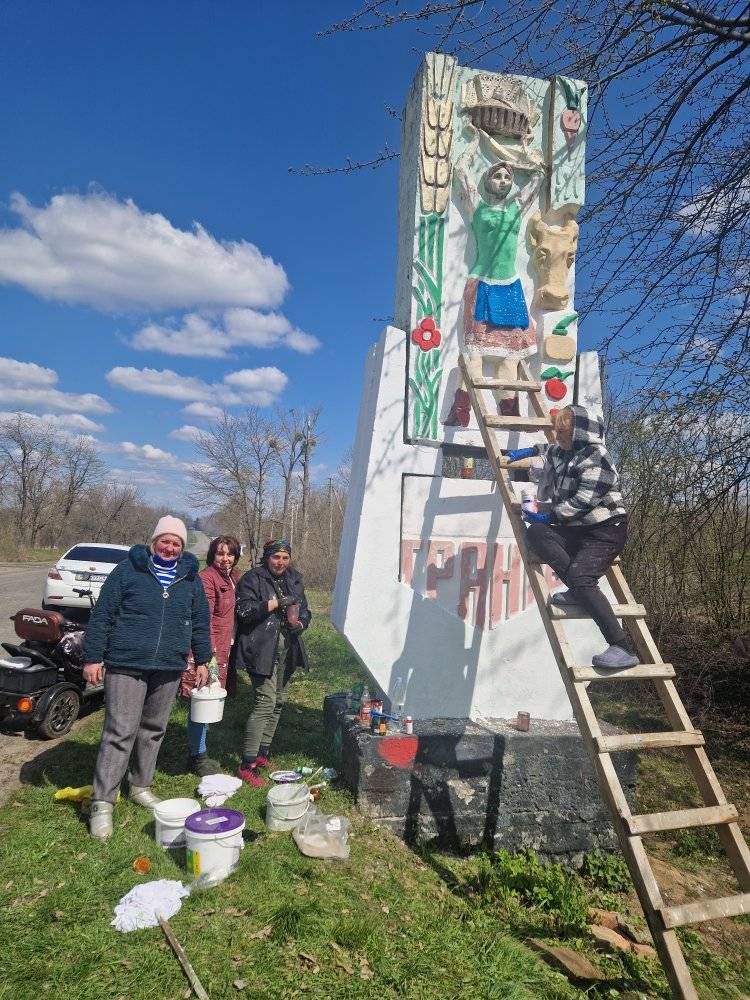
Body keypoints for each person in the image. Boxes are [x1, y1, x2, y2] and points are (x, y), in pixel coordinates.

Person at [81, 516, 212, 840]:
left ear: (182, 548)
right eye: (164, 541)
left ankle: (140, 785)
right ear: (154, 543)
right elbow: (103, 615)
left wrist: (203, 660)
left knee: (153, 729)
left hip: (168, 665)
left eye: (176, 543)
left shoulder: (190, 578)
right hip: (126, 662)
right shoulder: (128, 570)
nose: (170, 547)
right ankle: (102, 802)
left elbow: (200, 621)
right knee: (120, 731)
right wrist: (93, 657)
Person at [507, 405, 639, 669]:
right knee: (537, 534)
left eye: (564, 435)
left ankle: (622, 647)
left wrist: (550, 515)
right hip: (577, 528)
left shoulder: (597, 457)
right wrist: (528, 452)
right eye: (557, 433)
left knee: (582, 578)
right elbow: (548, 450)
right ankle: (579, 592)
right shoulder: (562, 450)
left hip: (605, 529)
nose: (558, 439)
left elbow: (583, 501)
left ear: (580, 434)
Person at [444, 121, 546, 427]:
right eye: (497, 176)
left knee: (510, 357)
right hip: (482, 285)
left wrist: (525, 146)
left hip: (510, 287)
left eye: (507, 177)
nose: (502, 181)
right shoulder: (478, 208)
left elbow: (539, 176)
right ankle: (461, 411)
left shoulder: (516, 209)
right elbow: (461, 172)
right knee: (474, 353)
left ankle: (509, 415)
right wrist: (475, 141)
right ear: (488, 181)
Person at [232, 539, 311, 787]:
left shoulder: (294, 579)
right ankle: (247, 764)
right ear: (267, 557)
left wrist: (300, 623)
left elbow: (306, 611)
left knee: (279, 701)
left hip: (288, 649)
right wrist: (274, 604)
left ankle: (262, 753)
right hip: (260, 649)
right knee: (265, 702)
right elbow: (244, 611)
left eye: (285, 558)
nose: (280, 562)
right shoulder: (253, 579)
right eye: (276, 557)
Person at [180, 534, 241, 776]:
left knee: (210, 700)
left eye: (230, 554)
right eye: (220, 553)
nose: (226, 558)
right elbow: (203, 619)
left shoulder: (232, 577)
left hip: (225, 648)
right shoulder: (207, 578)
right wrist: (207, 656)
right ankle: (198, 756)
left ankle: (199, 749)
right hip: (210, 651)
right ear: (212, 555)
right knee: (203, 701)